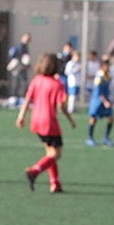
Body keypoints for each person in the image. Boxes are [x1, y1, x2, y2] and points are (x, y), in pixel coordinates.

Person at [17, 53, 75, 193]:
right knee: (56, 154)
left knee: (49, 152)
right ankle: (34, 171)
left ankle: (55, 183)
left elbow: (27, 100)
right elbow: (61, 106)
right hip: (49, 122)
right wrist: (70, 120)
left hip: (36, 121)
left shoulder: (37, 80)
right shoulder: (57, 84)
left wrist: (21, 116)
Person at [86, 56, 114, 147]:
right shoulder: (99, 77)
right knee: (93, 119)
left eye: (108, 66)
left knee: (111, 118)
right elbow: (99, 92)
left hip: (105, 100)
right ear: (102, 67)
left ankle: (106, 138)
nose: (108, 68)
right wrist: (105, 101)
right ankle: (90, 138)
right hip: (97, 101)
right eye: (106, 66)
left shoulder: (108, 76)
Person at [6, 32, 31, 107]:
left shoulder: (25, 47)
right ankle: (15, 98)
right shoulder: (21, 47)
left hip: (21, 68)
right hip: (19, 68)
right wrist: (24, 63)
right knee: (20, 83)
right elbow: (19, 57)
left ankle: (19, 98)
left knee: (21, 83)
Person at [64, 50, 82, 114]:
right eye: (77, 56)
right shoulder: (70, 63)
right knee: (72, 96)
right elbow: (67, 72)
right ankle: (70, 109)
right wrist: (76, 70)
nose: (78, 58)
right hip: (72, 82)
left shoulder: (79, 63)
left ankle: (74, 108)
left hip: (78, 82)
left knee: (76, 96)